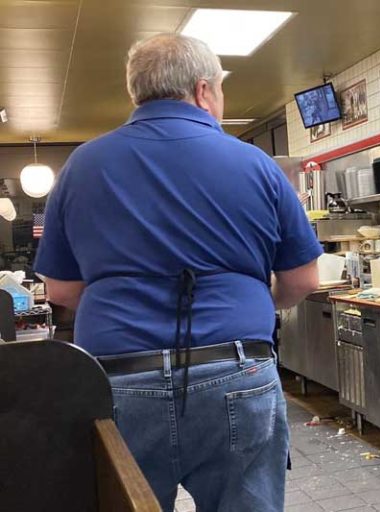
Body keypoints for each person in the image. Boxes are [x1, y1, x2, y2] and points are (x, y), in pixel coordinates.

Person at [34, 33, 321, 512]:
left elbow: (60, 288)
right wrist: (251, 298)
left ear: (136, 93)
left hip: (119, 380)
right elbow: (303, 281)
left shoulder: (82, 166)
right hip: (236, 371)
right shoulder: (257, 164)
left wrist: (124, 296)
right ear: (204, 90)